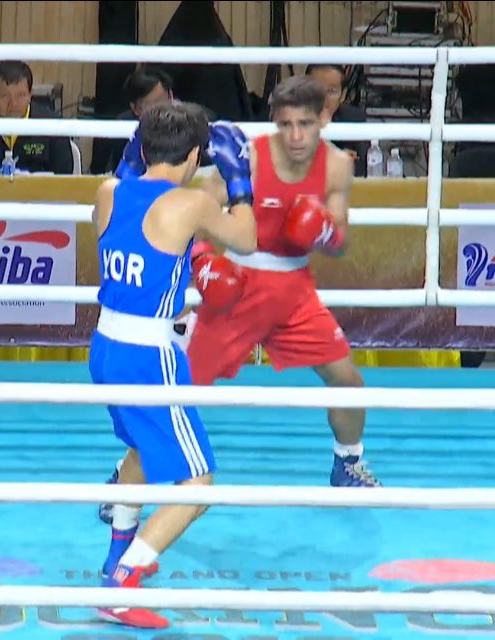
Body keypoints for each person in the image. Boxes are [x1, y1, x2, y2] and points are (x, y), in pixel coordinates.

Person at [96, 75, 379, 524]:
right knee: (170, 389)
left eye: (306, 124)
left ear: (324, 119)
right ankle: (124, 476)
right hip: (237, 289)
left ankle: (349, 461)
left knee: (347, 379)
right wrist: (204, 263)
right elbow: (186, 219)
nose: (296, 135)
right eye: (286, 124)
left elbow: (340, 239)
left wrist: (325, 231)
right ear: (274, 121)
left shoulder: (337, 167)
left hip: (293, 290)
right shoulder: (247, 159)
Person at [89, 101, 256, 629]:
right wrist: (239, 179)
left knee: (140, 449)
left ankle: (117, 553)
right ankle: (122, 585)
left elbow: (129, 242)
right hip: (147, 355)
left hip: (105, 345)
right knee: (197, 485)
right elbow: (246, 238)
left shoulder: (108, 192)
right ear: (194, 156)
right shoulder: (192, 202)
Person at [0, 60, 74, 175]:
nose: (13, 103)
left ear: (30, 95)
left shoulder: (53, 125)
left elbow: (65, 178)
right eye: (4, 96)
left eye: (21, 95)